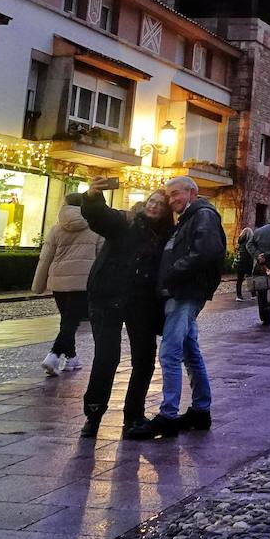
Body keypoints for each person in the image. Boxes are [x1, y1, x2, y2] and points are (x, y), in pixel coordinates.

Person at [129, 176, 224, 440]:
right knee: (189, 351)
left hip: (186, 292)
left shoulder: (202, 215)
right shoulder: (189, 218)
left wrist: (172, 273)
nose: (172, 201)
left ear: (192, 192)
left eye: (176, 194)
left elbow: (205, 252)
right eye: (169, 196)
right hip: (183, 291)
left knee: (170, 353)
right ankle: (200, 410)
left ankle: (168, 416)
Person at [75, 180, 173, 438]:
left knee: (144, 358)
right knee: (107, 357)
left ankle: (134, 415)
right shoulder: (126, 221)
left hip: (142, 302)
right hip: (108, 295)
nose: (153, 206)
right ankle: (94, 415)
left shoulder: (167, 236)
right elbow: (100, 217)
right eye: (152, 201)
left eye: (160, 204)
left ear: (167, 211)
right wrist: (94, 196)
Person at [31, 201, 104, 376]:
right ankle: (53, 355)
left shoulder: (56, 229)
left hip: (58, 281)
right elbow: (102, 258)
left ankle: (71, 358)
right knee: (71, 322)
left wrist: (38, 285)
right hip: (82, 281)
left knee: (67, 320)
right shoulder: (96, 228)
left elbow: (45, 258)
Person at [234, 228, 254, 302]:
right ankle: (253, 294)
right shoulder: (250, 242)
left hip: (239, 263)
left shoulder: (240, 242)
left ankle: (239, 295)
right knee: (250, 279)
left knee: (239, 280)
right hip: (248, 263)